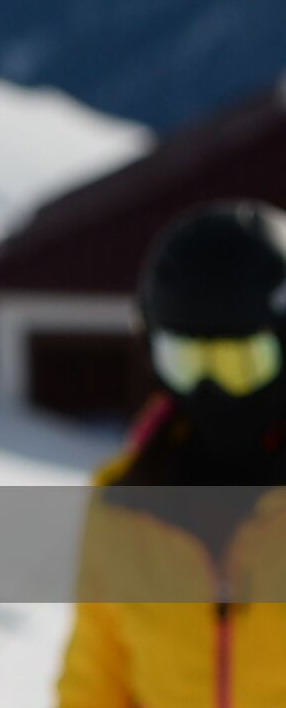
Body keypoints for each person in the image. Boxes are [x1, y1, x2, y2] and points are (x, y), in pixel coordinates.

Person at [58, 200, 286, 707]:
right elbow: (93, 684)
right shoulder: (122, 507)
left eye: (240, 362)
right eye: (187, 361)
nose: (211, 389)